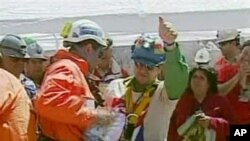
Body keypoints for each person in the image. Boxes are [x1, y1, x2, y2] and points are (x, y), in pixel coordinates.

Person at [102, 17, 187, 141]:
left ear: (160, 68)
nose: (142, 70)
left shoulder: (164, 93)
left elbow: (178, 78)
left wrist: (170, 46)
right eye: (138, 64)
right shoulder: (116, 86)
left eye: (149, 67)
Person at [35, 19, 115, 141]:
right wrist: (95, 115)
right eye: (100, 54)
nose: (99, 61)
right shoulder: (66, 67)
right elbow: (48, 102)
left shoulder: (74, 70)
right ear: (89, 49)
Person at [168, 66, 236, 141]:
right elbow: (173, 130)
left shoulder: (220, 102)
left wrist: (212, 122)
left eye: (201, 78)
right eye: (194, 77)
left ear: (209, 84)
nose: (197, 80)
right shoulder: (184, 101)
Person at [215, 29, 250, 124]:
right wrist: (238, 76)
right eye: (245, 53)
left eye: (223, 45)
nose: (246, 58)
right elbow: (217, 92)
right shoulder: (225, 69)